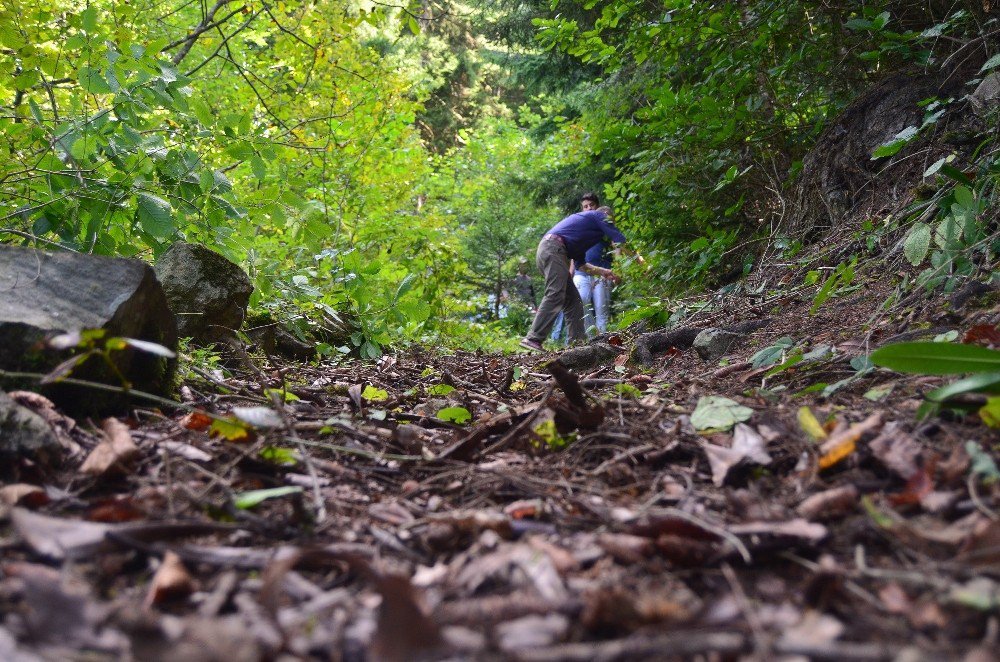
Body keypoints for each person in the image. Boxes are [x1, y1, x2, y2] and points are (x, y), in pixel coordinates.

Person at [520, 207, 626, 352]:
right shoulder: (598, 215)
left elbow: (581, 266)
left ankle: (576, 345)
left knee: (574, 301)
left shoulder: (583, 235)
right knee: (555, 293)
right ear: (607, 216)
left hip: (551, 250)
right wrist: (633, 260)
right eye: (610, 222)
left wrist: (603, 271)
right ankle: (533, 338)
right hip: (554, 249)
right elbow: (620, 240)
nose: (609, 225)